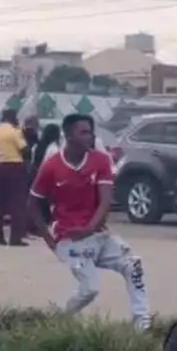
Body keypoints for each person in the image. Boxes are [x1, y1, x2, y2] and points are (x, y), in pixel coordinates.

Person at [28, 114, 151, 330]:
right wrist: (49, 239)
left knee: (134, 265)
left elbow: (105, 201)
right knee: (90, 289)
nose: (90, 136)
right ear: (68, 135)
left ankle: (142, 323)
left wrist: (90, 228)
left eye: (91, 132)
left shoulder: (101, 161)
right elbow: (32, 204)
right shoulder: (51, 166)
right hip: (69, 239)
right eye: (83, 132)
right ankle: (55, 319)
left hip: (98, 234)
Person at [0, 108, 28, 246]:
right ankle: (15, 238)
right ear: (13, 117)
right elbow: (25, 150)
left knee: (1, 203)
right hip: (15, 167)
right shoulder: (15, 132)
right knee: (17, 203)